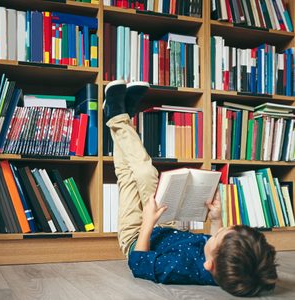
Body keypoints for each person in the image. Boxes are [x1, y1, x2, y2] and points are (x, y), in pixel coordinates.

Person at [104, 79, 278, 297]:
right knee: (141, 172)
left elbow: (138, 264)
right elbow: (217, 243)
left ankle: (117, 116)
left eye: (217, 235)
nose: (213, 235)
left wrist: (147, 223)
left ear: (209, 266)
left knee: (133, 174)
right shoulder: (225, 262)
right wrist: (216, 220)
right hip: (163, 223)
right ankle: (119, 116)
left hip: (135, 235)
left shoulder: (179, 267)